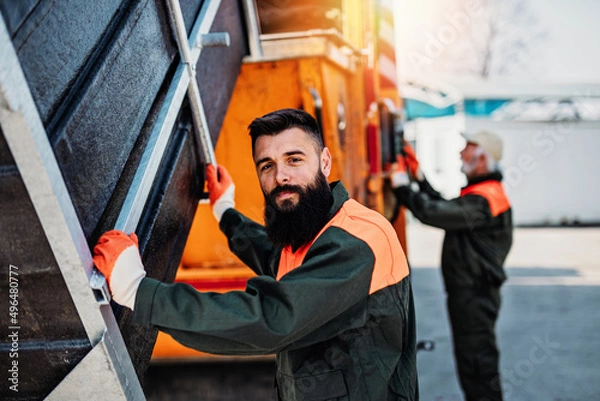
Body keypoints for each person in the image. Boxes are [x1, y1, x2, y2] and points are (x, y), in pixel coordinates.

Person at [93, 108, 419, 400]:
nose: (281, 177)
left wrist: (137, 289)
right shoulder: (315, 230)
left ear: (324, 162)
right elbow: (274, 256)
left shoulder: (358, 240)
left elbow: (272, 319)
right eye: (267, 166)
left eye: (294, 159)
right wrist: (226, 213)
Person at [389, 131, 513, 401]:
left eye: (466, 148)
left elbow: (434, 213)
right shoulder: (482, 194)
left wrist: (401, 187)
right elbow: (445, 206)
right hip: (472, 293)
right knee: (474, 362)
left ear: (481, 158)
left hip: (474, 296)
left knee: (477, 364)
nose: (460, 153)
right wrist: (419, 177)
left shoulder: (484, 200)